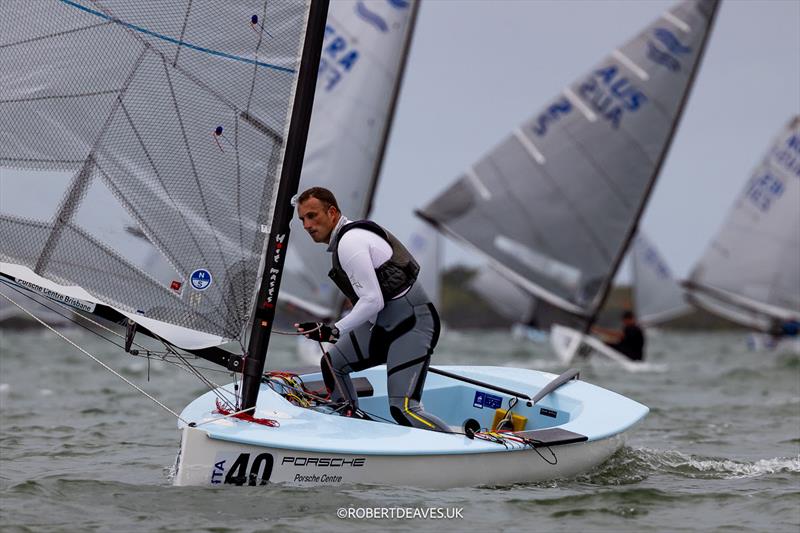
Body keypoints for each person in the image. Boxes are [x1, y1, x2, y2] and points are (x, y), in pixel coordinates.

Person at [293, 187, 449, 432]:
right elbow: (373, 303)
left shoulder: (350, 242)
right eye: (302, 219)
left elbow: (372, 300)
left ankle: (451, 454)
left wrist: (334, 331)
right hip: (383, 325)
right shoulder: (346, 241)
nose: (306, 225)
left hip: (412, 325)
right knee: (332, 364)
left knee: (404, 409)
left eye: (312, 216)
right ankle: (349, 431)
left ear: (332, 212)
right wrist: (326, 329)